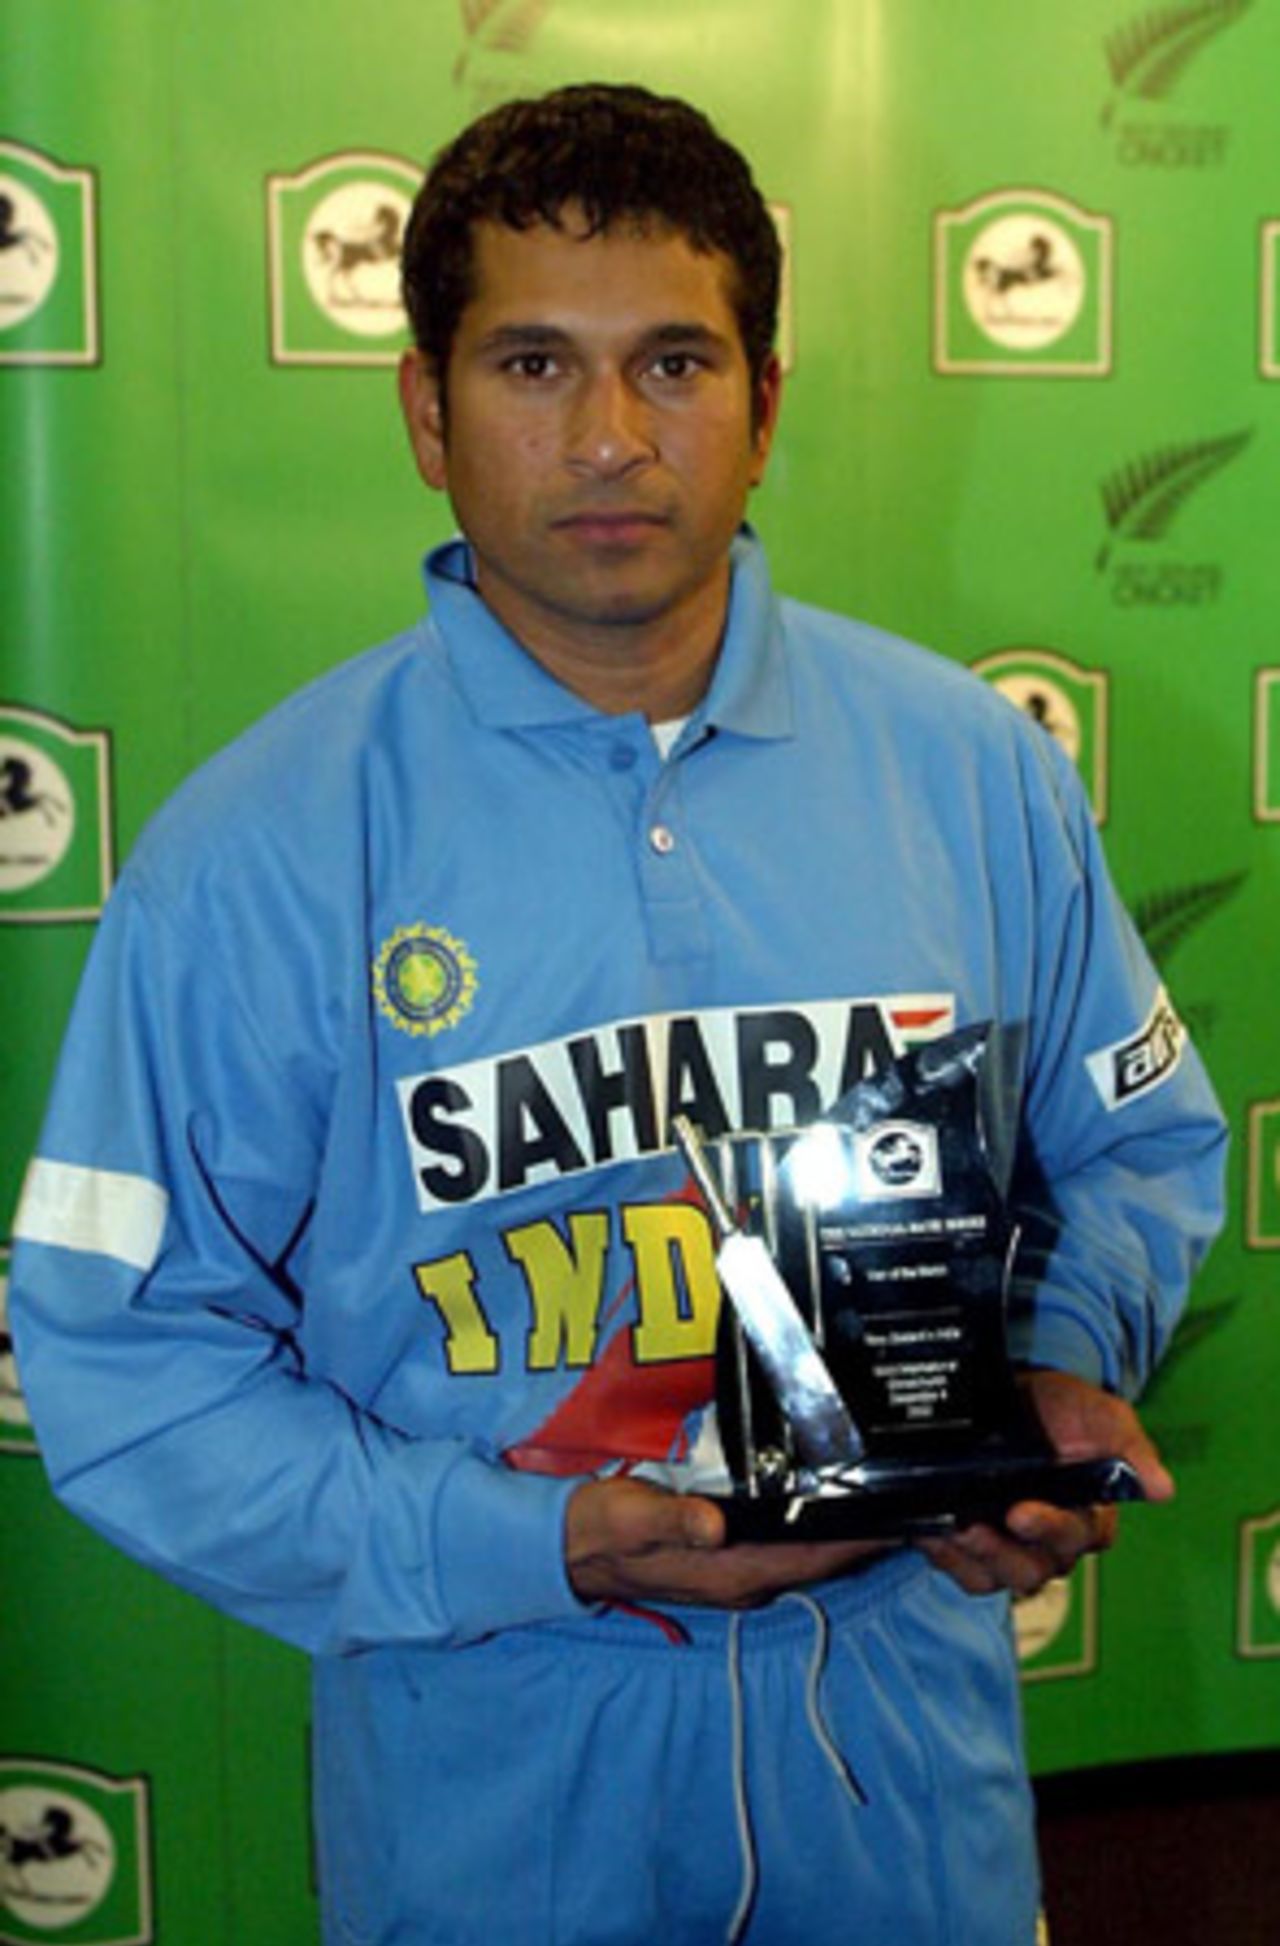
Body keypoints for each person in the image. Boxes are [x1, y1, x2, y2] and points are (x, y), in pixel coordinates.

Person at [10, 83, 1226, 1946]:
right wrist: (536, 1543)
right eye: (528, 365)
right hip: (492, 1787)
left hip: (901, 1785)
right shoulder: (255, 851)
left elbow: (1139, 1145)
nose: (605, 438)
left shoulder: (975, 774)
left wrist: (1055, 1367)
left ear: (764, 403)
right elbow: (119, 1358)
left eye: (672, 361)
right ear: (426, 412)